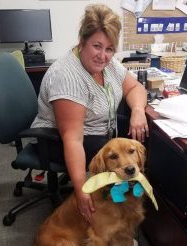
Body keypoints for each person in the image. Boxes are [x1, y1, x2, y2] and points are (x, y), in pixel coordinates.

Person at [31, 4, 149, 223]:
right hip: (60, 139)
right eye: (97, 46)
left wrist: (138, 110)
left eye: (109, 49)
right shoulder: (68, 76)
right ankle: (113, 220)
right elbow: (73, 139)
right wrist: (80, 190)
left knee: (146, 136)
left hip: (102, 129)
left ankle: (139, 207)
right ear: (82, 41)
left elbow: (135, 88)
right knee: (117, 161)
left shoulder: (109, 64)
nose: (103, 56)